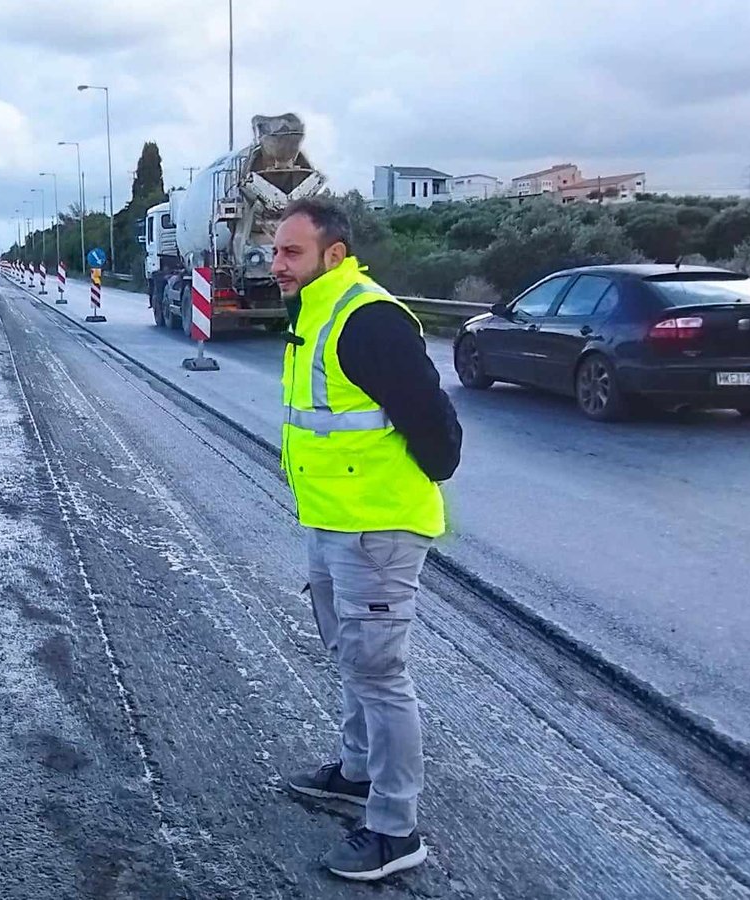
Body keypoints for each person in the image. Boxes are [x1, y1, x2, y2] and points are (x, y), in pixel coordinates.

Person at [271, 197, 462, 882]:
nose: (277, 264)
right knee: (350, 655)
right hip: (332, 520)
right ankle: (356, 773)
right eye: (274, 251)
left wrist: (418, 483)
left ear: (334, 253)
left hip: (377, 527)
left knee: (380, 673)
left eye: (292, 252)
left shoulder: (367, 317)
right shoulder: (316, 310)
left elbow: (436, 425)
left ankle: (394, 826)